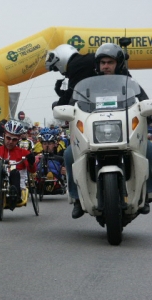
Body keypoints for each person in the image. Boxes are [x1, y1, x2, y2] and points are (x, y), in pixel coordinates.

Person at [46, 43, 151, 218]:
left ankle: (147, 192)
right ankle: (76, 197)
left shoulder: (129, 83)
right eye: (103, 62)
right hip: (93, 134)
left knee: (150, 148)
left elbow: (143, 101)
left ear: (118, 64)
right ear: (98, 64)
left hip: (125, 133)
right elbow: (73, 105)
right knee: (69, 153)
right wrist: (65, 106)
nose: (106, 66)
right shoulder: (86, 86)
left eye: (110, 62)